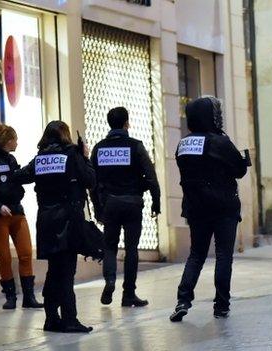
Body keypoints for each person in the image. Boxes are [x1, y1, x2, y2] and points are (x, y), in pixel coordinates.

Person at [169, 96, 248, 322]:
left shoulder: (183, 144)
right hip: (223, 207)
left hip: (196, 207)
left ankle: (183, 300)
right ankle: (221, 305)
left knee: (196, 254)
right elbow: (239, 170)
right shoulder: (219, 142)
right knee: (224, 255)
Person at [16, 121, 95, 333]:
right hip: (68, 220)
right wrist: (85, 157)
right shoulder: (72, 154)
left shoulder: (41, 158)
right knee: (67, 271)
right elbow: (90, 180)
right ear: (65, 135)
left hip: (46, 220)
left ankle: (51, 317)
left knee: (54, 270)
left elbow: (20, 176)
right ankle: (70, 319)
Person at [91, 107, 161, 308]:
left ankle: (110, 280)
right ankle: (129, 293)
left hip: (110, 204)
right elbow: (151, 177)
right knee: (131, 249)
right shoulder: (135, 146)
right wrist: (156, 202)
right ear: (126, 124)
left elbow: (92, 182)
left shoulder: (99, 149)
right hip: (132, 203)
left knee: (110, 246)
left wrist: (97, 207)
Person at [0, 124, 43, 310]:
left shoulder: (12, 160)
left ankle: (29, 297)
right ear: (7, 141)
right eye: (15, 139)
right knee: (4, 257)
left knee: (26, 253)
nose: (17, 143)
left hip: (16, 213)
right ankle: (10, 296)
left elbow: (17, 179)